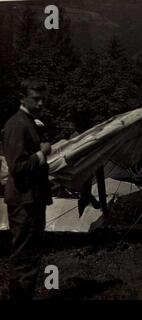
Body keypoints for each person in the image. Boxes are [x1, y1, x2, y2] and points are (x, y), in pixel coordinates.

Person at [2, 78, 53, 300]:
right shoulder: (17, 124)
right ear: (22, 98)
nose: (41, 103)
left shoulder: (29, 122)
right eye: (36, 99)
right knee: (24, 257)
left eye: (43, 99)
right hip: (24, 200)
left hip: (32, 199)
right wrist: (42, 153)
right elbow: (17, 166)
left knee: (30, 255)